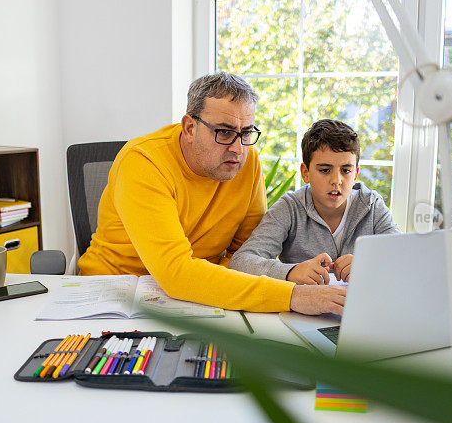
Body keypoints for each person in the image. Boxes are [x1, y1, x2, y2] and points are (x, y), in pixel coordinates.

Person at [77, 72, 345, 317]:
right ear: (190, 128)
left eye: (246, 133)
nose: (238, 149)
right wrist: (293, 296)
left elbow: (249, 254)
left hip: (194, 296)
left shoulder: (247, 161)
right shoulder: (143, 163)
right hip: (114, 295)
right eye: (224, 132)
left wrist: (213, 276)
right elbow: (176, 272)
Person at [230, 118, 400, 284]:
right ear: (305, 173)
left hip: (363, 309)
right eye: (325, 170)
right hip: (303, 310)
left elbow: (404, 261)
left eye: (346, 170)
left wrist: (367, 265)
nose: (336, 180)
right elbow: (241, 262)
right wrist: (291, 271)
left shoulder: (373, 206)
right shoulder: (290, 208)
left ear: (355, 174)